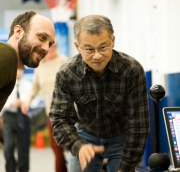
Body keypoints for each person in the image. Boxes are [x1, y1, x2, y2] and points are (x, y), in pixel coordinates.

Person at [49, 15, 149, 172]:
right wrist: (78, 146)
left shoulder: (132, 71)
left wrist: (127, 166)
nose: (97, 55)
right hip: (85, 137)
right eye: (89, 49)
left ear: (113, 41)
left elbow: (139, 123)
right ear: (77, 47)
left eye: (103, 47)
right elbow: (60, 119)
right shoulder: (67, 74)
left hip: (122, 138)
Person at [21, 42, 68, 172]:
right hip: (50, 111)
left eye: (54, 47)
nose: (51, 50)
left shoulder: (62, 60)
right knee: (55, 146)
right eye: (49, 48)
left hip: (66, 109)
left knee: (65, 144)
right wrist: (27, 101)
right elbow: (35, 86)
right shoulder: (40, 65)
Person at [0, 10, 55, 112]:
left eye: (50, 44)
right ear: (18, 32)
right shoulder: (7, 54)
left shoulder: (10, 63)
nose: (47, 48)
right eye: (42, 37)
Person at [2, 66, 32, 172]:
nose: (18, 73)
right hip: (9, 116)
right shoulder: (6, 84)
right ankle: (10, 169)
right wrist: (11, 103)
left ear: (23, 71)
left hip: (23, 116)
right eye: (16, 70)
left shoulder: (28, 85)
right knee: (8, 147)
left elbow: (35, 100)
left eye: (20, 70)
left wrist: (25, 103)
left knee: (23, 148)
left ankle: (23, 169)